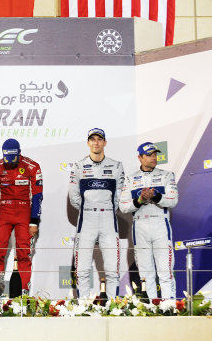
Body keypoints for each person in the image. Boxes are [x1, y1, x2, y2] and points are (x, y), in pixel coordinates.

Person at [69, 128, 124, 298]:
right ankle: (84, 306)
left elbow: (119, 197)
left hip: (108, 217)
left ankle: (112, 305)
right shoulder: (78, 166)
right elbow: (74, 198)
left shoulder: (116, 165)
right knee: (83, 268)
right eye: (92, 139)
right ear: (88, 143)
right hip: (86, 217)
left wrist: (106, 208)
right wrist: (89, 208)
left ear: (105, 142)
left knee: (112, 269)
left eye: (99, 139)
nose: (96, 142)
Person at [120, 142, 178, 299]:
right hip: (140, 225)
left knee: (165, 271)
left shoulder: (167, 175)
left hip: (160, 224)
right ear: (140, 157)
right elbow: (123, 207)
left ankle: (169, 308)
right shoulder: (130, 179)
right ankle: (152, 308)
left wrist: (156, 196)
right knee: (146, 273)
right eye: (149, 155)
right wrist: (139, 200)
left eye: (155, 154)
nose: (154, 157)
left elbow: (172, 201)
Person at [0, 139, 43, 295]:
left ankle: (23, 290)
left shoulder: (32, 166)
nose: (9, 163)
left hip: (25, 210)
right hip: (4, 210)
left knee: (24, 253)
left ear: (19, 153)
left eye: (13, 159)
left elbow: (37, 196)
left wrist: (34, 221)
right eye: (7, 159)